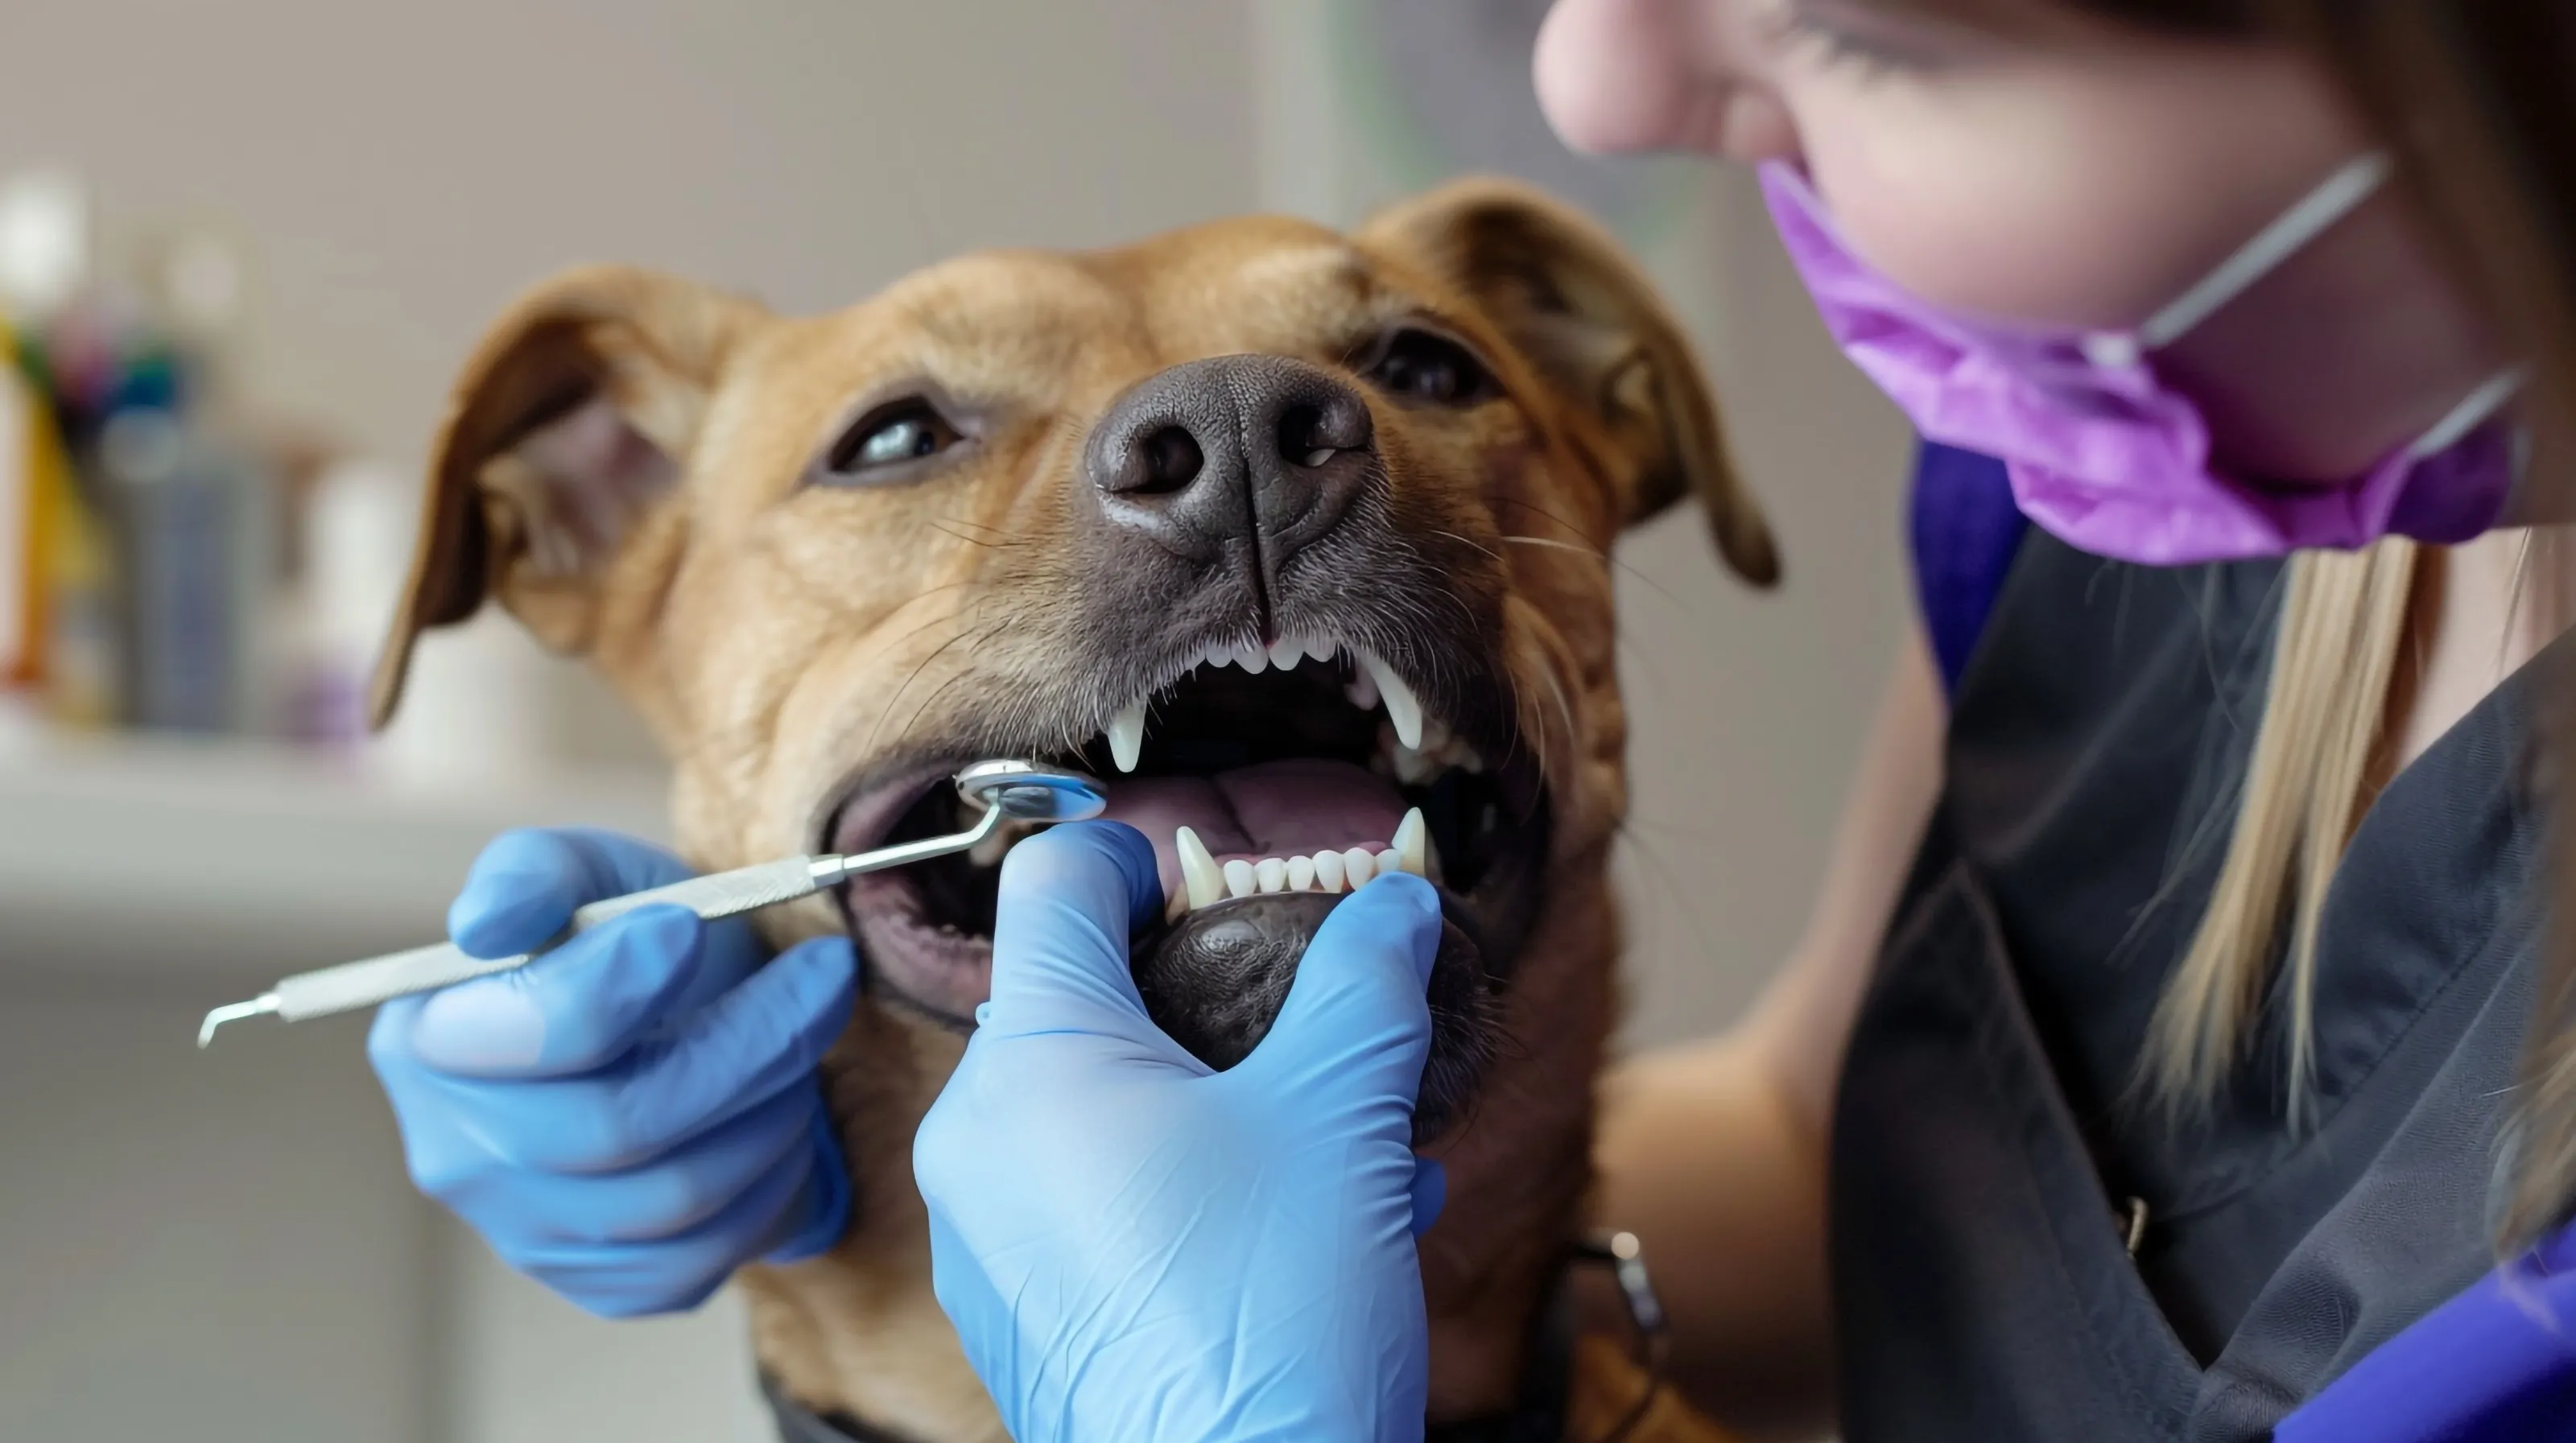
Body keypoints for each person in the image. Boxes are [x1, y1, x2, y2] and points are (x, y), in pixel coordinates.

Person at [365, 0, 2576, 1439]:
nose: (1224, 442)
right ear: (593, 529)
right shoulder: (2130, 471)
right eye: (905, 437)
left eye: (1419, 372)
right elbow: (1842, 1155)